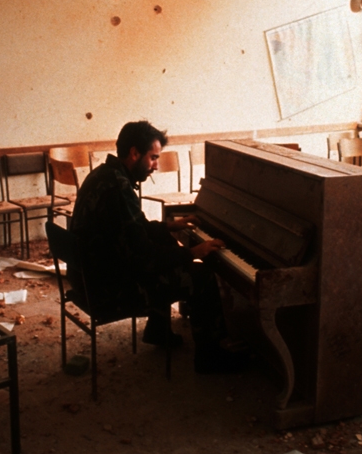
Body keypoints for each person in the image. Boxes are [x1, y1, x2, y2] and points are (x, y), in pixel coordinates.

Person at [68, 120, 247, 374]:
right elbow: (144, 258)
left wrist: (169, 227)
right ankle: (211, 357)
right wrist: (193, 252)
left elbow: (132, 229)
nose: (156, 165)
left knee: (163, 242)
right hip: (107, 289)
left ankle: (158, 330)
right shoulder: (119, 188)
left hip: (89, 275)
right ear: (134, 153)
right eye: (153, 158)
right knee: (202, 276)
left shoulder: (105, 174)